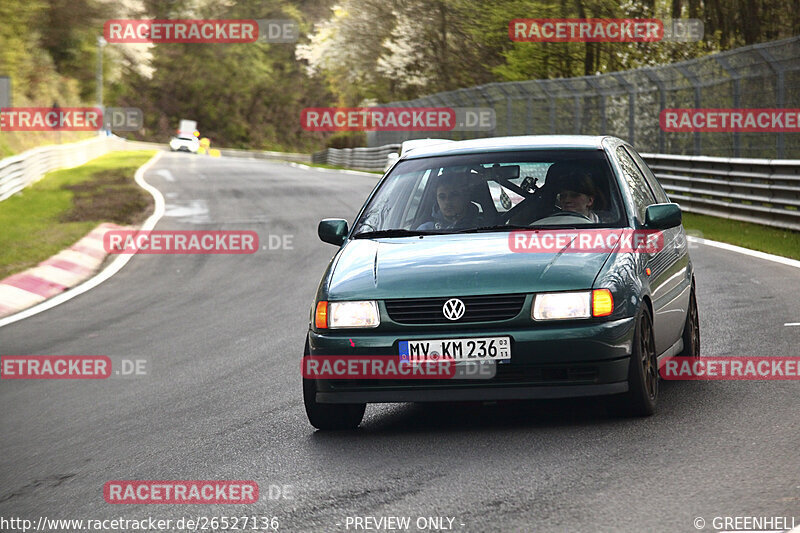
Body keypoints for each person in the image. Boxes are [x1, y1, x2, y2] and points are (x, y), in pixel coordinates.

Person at [417, 171, 483, 230]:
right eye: (442, 197)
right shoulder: (425, 230)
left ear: (465, 197)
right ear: (436, 199)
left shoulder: (483, 227)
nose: (447, 201)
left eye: (454, 195)